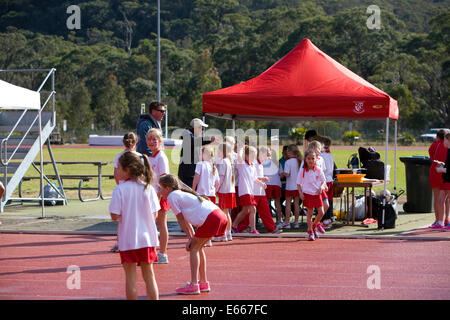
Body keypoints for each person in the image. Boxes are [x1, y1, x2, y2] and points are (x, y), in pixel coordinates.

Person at [159, 174, 228, 295]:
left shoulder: (172, 196)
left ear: (168, 188)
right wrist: (191, 237)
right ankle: (203, 282)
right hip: (218, 214)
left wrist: (190, 238)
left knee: (194, 249)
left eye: (161, 188)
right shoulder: (181, 194)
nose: (160, 191)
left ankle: (194, 284)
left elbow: (180, 220)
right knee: (198, 248)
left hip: (211, 217)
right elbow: (185, 221)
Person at [109, 151, 160, 300]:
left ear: (127, 170)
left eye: (118, 168)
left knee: (130, 277)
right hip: (147, 238)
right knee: (149, 275)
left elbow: (114, 215)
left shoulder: (119, 190)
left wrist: (125, 214)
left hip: (128, 239)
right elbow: (154, 214)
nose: (116, 171)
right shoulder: (148, 188)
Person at [111, 132, 142, 253]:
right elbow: (143, 175)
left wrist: (120, 186)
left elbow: (116, 174)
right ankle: (138, 242)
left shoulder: (118, 156)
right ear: (135, 143)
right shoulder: (140, 156)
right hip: (137, 189)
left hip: (123, 188)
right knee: (138, 217)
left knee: (122, 218)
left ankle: (119, 242)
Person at [146, 128, 170, 263]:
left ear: (160, 141)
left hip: (160, 196)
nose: (151, 142)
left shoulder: (161, 157)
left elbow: (164, 179)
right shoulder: (149, 157)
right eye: (149, 139)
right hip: (151, 196)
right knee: (151, 224)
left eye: (154, 139)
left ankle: (163, 253)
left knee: (161, 223)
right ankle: (152, 251)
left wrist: (160, 196)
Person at [231, 145, 266, 234]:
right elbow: (239, 157)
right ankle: (253, 229)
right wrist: (241, 148)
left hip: (250, 191)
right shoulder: (242, 164)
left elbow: (254, 178)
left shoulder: (252, 166)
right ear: (246, 155)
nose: (253, 158)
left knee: (245, 210)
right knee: (253, 209)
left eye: (254, 156)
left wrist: (261, 182)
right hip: (244, 191)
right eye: (252, 155)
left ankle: (234, 226)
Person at [297, 150, 327, 241]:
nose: (310, 160)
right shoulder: (302, 170)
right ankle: (310, 232)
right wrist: (300, 193)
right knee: (309, 213)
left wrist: (321, 187)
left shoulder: (318, 169)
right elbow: (298, 183)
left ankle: (314, 226)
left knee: (321, 212)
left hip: (317, 193)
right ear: (305, 159)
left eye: (312, 158)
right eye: (309, 158)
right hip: (307, 194)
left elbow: (323, 181)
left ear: (315, 160)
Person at [178, 118, 215, 188]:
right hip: (187, 174)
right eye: (202, 128)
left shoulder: (192, 135)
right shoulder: (187, 134)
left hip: (191, 172)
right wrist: (208, 139)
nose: (202, 130)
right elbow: (194, 141)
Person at [215, 142, 236, 241]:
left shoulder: (224, 161)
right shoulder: (228, 161)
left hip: (224, 190)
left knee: (223, 214)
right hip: (230, 190)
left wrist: (217, 188)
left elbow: (221, 177)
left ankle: (223, 234)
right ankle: (228, 233)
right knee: (226, 213)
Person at [429, 129, 449, 229]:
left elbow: (432, 156)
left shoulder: (436, 144)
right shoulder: (446, 146)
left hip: (437, 172)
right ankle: (447, 219)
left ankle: (438, 220)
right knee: (447, 199)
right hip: (445, 173)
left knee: (438, 199)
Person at [306, 140, 330, 227]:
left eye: (320, 149)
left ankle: (315, 223)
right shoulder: (308, 160)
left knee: (326, 205)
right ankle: (311, 228)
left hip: (320, 187)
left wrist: (325, 184)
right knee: (311, 210)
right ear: (312, 149)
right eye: (318, 149)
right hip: (312, 188)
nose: (320, 150)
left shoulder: (321, 159)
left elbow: (322, 173)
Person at [281, 144, 303, 229]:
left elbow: (287, 174)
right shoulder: (299, 161)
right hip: (298, 186)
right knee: (297, 204)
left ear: (289, 152)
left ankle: (287, 222)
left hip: (289, 186)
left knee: (288, 204)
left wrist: (283, 173)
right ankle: (296, 222)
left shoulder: (288, 162)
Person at [263, 146, 283, 227]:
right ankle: (279, 221)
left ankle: (268, 221)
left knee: (267, 203)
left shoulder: (262, 162)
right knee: (277, 203)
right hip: (276, 184)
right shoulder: (276, 161)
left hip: (267, 184)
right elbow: (281, 174)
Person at [434, 131, 450, 230]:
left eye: (445, 139)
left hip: (449, 179)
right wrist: (443, 164)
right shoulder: (448, 151)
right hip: (446, 179)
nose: (443, 141)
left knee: (443, 200)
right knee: (440, 200)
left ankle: (445, 221)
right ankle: (440, 222)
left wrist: (442, 169)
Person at [320, 137, 335, 228]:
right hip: (330, 179)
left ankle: (324, 219)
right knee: (329, 200)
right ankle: (328, 218)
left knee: (324, 201)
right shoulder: (330, 155)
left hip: (324, 181)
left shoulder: (322, 156)